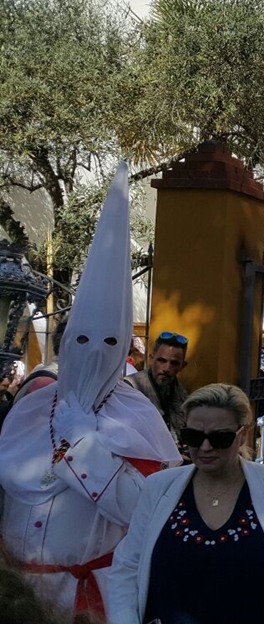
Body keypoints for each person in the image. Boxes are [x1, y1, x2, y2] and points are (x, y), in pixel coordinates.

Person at [0, 163, 181, 622]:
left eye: (109, 344)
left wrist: (84, 443)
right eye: (82, 339)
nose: (93, 353)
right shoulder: (31, 405)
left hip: (88, 600)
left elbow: (144, 507)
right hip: (16, 593)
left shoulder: (140, 419)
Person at [106, 383, 264, 624]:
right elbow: (127, 565)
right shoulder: (159, 487)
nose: (205, 447)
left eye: (220, 438)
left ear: (242, 434)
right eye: (193, 437)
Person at [125, 332, 190, 438]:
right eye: (162, 361)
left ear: (183, 366)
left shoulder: (183, 396)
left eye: (174, 363)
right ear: (151, 358)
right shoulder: (131, 388)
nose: (166, 369)